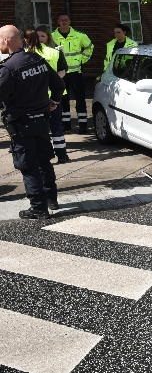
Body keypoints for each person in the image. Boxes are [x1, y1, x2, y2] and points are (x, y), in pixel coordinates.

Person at [0, 25, 65, 219]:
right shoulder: (38, 59)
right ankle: (51, 199)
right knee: (44, 161)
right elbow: (59, 85)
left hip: (21, 124)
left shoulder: (9, 68)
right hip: (41, 121)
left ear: (6, 41)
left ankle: (38, 207)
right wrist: (54, 102)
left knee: (28, 165)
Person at [26, 27, 71, 164]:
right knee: (56, 126)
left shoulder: (26, 54)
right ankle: (62, 156)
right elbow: (63, 71)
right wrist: (54, 81)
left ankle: (44, 157)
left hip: (35, 98)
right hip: (54, 96)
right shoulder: (55, 52)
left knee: (40, 128)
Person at [52, 13, 93, 133]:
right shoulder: (52, 36)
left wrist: (82, 60)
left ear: (70, 21)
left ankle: (83, 125)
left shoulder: (80, 36)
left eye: (66, 20)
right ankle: (66, 125)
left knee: (80, 98)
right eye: (61, 20)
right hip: (61, 74)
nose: (64, 22)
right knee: (63, 99)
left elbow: (89, 47)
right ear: (58, 22)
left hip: (76, 72)